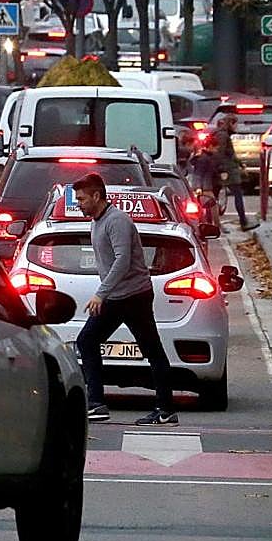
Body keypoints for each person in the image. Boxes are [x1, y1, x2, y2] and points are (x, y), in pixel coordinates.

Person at [72, 172, 178, 426]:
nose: (79, 203)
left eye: (83, 199)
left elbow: (123, 260)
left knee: (146, 348)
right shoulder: (97, 221)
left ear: (97, 196)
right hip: (120, 295)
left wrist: (101, 293)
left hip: (132, 296)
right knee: (90, 341)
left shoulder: (116, 221)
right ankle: (99, 403)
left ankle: (160, 408)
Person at [215, 113, 258, 231]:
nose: (236, 127)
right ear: (231, 123)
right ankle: (243, 221)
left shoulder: (222, 135)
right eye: (235, 124)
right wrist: (222, 169)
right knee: (236, 195)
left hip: (227, 169)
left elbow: (230, 154)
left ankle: (215, 223)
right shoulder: (223, 136)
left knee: (215, 196)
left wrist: (240, 164)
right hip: (227, 171)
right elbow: (221, 153)